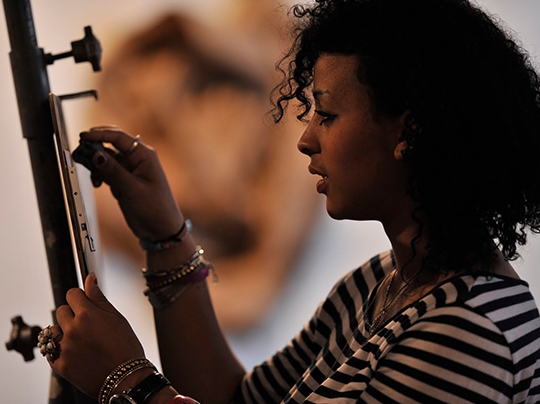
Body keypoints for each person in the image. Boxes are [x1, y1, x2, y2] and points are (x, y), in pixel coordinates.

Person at [43, 0, 540, 403]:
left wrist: (128, 382)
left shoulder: (467, 335)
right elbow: (230, 397)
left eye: (326, 115)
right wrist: (165, 235)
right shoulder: (381, 281)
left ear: (408, 131)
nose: (305, 140)